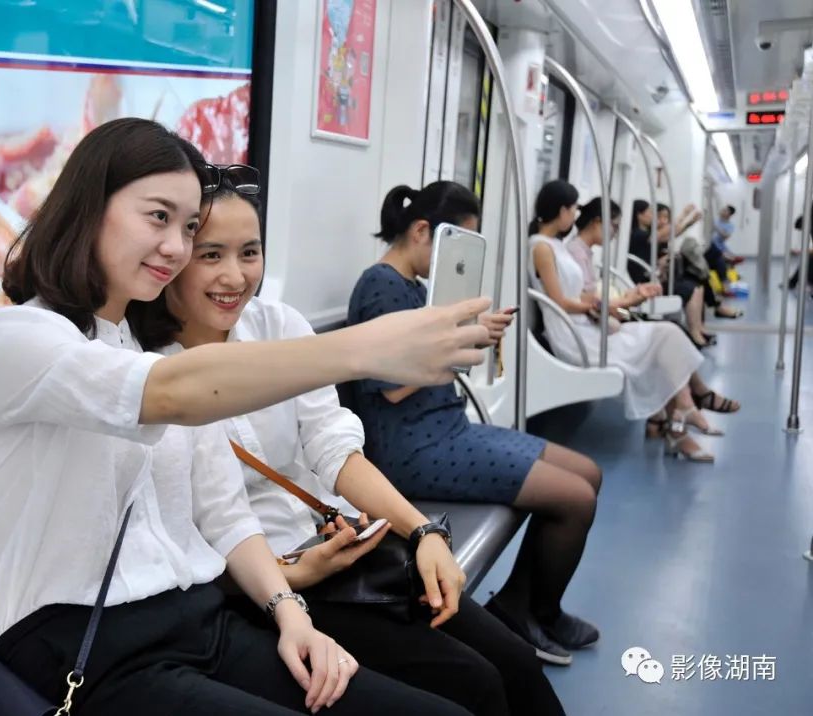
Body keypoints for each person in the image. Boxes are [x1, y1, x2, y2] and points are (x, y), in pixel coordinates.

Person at [0, 118, 492, 715]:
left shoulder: (137, 347)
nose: (176, 247)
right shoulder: (20, 339)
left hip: (196, 617)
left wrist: (292, 617)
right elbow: (170, 393)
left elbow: (223, 510)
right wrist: (365, 348)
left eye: (189, 227)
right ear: (90, 208)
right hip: (82, 637)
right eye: (158, 217)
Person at [134, 170, 566, 714]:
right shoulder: (145, 376)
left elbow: (332, 445)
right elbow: (195, 526)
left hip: (339, 541)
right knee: (474, 683)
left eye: (250, 252)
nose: (235, 276)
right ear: (174, 256)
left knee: (515, 662)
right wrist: (291, 575)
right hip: (260, 587)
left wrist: (423, 532)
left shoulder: (277, 325)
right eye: (211, 255)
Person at [331, 180, 603, 667]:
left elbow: (431, 360)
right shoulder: (380, 286)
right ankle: (527, 612)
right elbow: (391, 386)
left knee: (588, 472)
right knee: (575, 498)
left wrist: (471, 336)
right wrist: (465, 340)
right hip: (413, 448)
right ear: (421, 231)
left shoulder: (414, 289)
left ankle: (531, 607)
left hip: (447, 430)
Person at [529, 181, 740, 463]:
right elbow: (560, 302)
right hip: (574, 335)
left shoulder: (556, 245)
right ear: (562, 210)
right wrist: (605, 306)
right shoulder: (541, 247)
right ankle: (682, 420)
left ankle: (683, 414)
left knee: (667, 334)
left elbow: (578, 294)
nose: (575, 215)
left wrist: (621, 301)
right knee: (661, 341)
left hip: (585, 324)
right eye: (573, 209)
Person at [569, 200, 714, 348]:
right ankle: (695, 337)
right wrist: (627, 301)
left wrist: (628, 299)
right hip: (598, 319)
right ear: (597, 222)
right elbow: (592, 303)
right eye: (614, 226)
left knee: (671, 328)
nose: (615, 233)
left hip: (606, 312)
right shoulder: (578, 254)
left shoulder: (584, 252)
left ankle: (696, 334)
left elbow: (598, 303)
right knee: (672, 330)